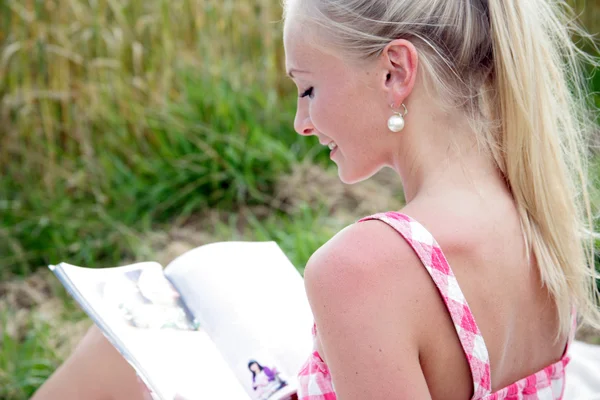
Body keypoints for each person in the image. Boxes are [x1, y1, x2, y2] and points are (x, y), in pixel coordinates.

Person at [32, 0, 600, 399]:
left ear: (394, 71)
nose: (302, 122)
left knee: (123, 352)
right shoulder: (535, 209)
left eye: (308, 88)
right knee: (192, 278)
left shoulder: (364, 269)